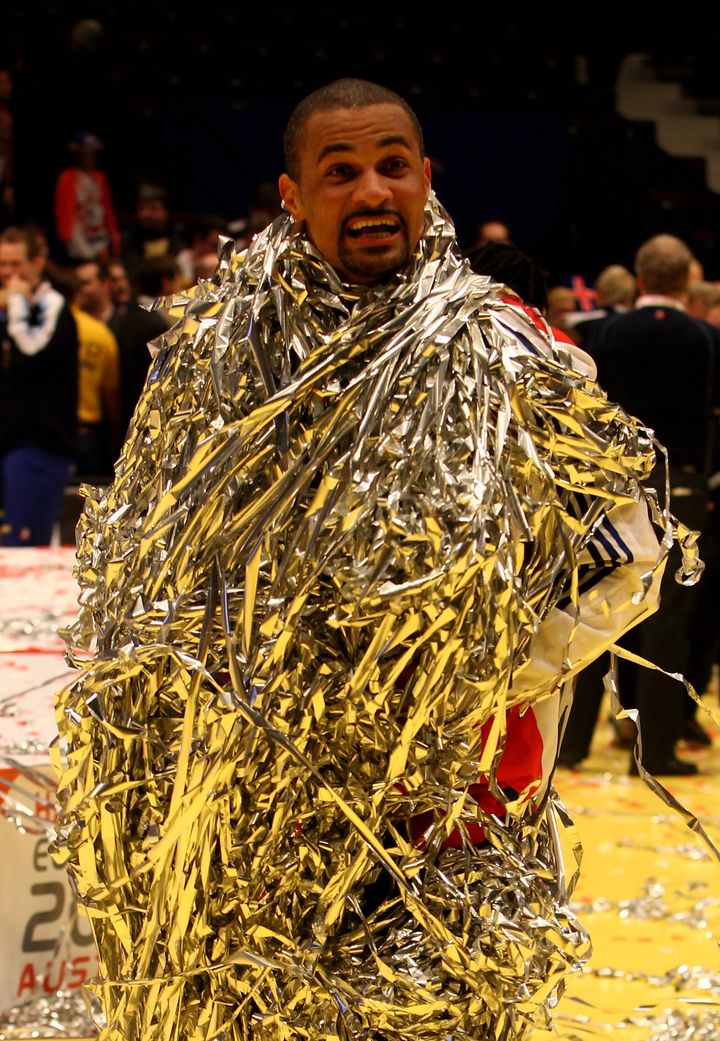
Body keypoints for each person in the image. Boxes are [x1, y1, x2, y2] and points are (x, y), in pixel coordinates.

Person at [53, 80, 684, 1041]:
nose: (371, 191)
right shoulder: (224, 360)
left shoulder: (506, 343)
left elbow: (625, 548)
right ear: (292, 196)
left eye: (393, 165)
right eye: (339, 172)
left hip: (458, 812)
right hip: (263, 823)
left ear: (427, 180)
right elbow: (158, 567)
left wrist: (461, 670)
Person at [567, 234, 719, 775]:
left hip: (610, 491)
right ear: (683, 281)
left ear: (641, 275)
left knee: (593, 610)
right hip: (681, 491)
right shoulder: (705, 340)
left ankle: (572, 744)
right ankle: (652, 752)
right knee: (667, 621)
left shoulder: (604, 334)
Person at [0, 226, 78, 544]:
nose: (7, 273)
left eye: (15, 264)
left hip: (38, 445)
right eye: (2, 264)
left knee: (22, 549)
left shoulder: (52, 305)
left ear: (37, 261)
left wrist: (16, 304)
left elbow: (32, 353)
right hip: (6, 440)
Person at [54, 131, 120, 262]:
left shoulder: (99, 178)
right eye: (87, 154)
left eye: (93, 153)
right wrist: (66, 236)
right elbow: (63, 210)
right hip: (78, 235)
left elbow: (107, 207)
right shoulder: (68, 178)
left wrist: (113, 233)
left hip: (98, 233)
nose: (91, 157)